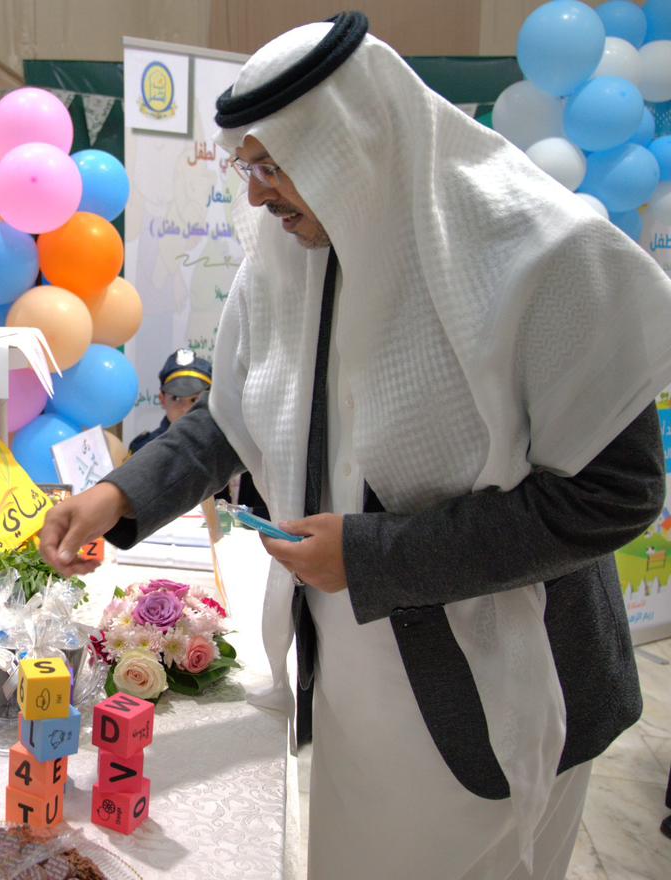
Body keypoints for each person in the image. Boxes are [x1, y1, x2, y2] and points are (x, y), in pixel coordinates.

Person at [39, 12, 671, 880]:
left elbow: (614, 496)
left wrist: (374, 557)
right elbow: (241, 410)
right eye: (247, 167)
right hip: (354, 681)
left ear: (352, 143)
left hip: (504, 695)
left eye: (272, 166)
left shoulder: (541, 254)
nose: (256, 197)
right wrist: (120, 495)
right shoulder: (295, 250)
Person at [129, 349, 268, 515]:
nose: (186, 409)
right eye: (176, 398)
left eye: (195, 399)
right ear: (162, 399)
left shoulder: (238, 448)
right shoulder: (143, 450)